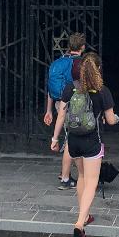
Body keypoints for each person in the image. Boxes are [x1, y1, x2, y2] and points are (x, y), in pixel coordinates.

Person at [50, 53, 119, 237]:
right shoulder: (102, 90)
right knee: (92, 181)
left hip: (73, 141)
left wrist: (55, 139)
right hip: (92, 142)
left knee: (81, 176)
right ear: (97, 70)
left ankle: (85, 215)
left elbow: (62, 116)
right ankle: (80, 223)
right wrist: (116, 117)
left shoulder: (70, 88)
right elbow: (111, 120)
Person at [43, 32, 86, 189]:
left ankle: (64, 173)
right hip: (73, 106)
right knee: (71, 141)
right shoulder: (79, 64)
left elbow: (50, 88)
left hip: (58, 103)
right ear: (82, 47)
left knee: (70, 138)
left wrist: (49, 110)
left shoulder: (57, 63)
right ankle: (66, 178)